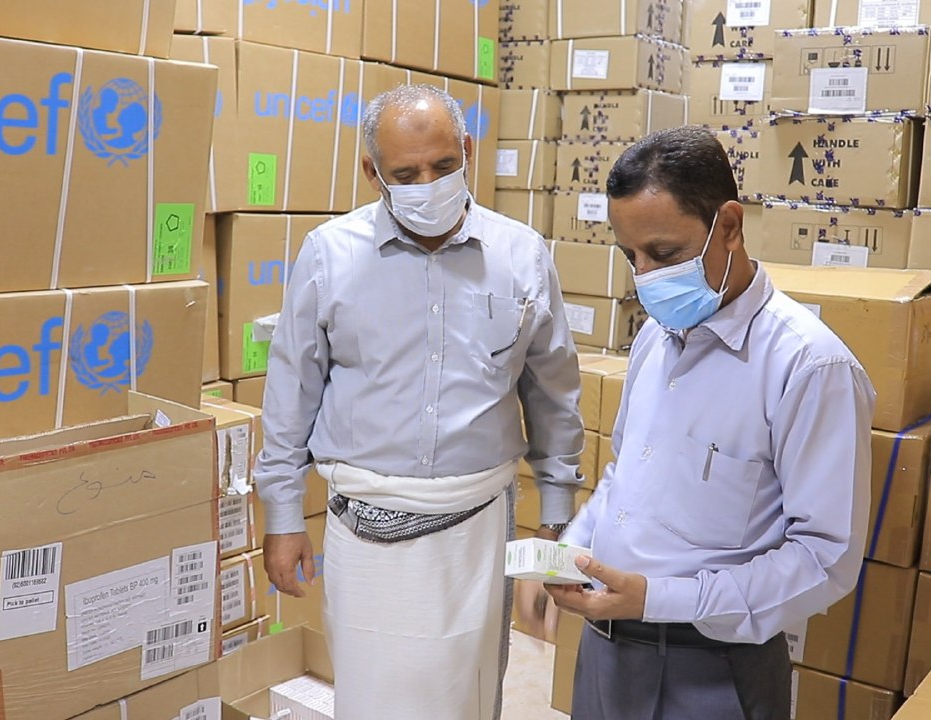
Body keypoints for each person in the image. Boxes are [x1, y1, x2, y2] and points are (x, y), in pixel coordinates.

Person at [253, 84, 584, 720]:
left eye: (444, 165)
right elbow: (291, 392)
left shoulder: (521, 256)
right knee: (374, 696)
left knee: (465, 693)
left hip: (475, 527)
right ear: (371, 171)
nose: (428, 185)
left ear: (468, 151)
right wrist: (284, 516)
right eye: (405, 175)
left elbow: (553, 393)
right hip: (363, 527)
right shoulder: (329, 254)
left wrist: (556, 516)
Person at [547, 126, 875, 719]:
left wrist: (660, 599)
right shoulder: (654, 339)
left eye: (664, 254)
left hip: (711, 668)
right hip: (606, 653)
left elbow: (824, 559)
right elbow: (625, 478)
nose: (645, 277)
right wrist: (570, 551)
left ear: (729, 226)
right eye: (630, 257)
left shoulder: (807, 366)